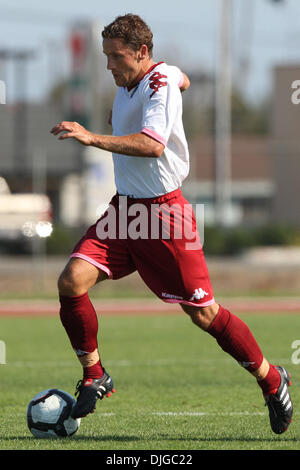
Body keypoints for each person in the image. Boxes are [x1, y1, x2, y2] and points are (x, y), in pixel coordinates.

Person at [51, 13, 293, 434]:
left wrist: (92, 137)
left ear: (141, 53)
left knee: (203, 314)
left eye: (116, 56)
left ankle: (273, 380)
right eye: (105, 55)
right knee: (71, 281)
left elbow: (151, 144)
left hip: (164, 216)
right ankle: (95, 374)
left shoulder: (156, 85)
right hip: (125, 213)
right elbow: (180, 76)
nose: (108, 64)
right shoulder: (143, 80)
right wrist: (181, 77)